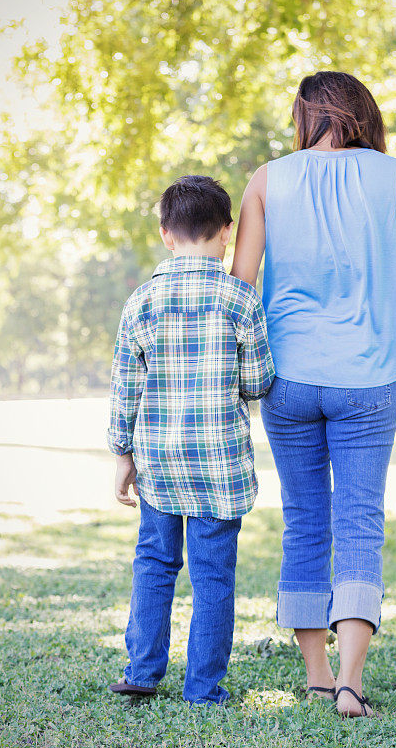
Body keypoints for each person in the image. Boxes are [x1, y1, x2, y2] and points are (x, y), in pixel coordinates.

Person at [231, 71, 396, 717]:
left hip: (286, 377)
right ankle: (350, 682)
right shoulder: (395, 175)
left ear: (304, 115)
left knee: (304, 520)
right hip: (372, 375)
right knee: (358, 521)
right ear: (362, 113)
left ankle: (317, 674)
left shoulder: (267, 179)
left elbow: (240, 285)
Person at [106, 175, 275, 706]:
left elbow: (124, 387)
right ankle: (203, 687)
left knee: (154, 564)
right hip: (219, 468)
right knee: (213, 579)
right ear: (227, 232)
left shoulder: (142, 302)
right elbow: (258, 382)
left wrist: (122, 454)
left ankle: (143, 671)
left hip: (159, 463)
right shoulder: (241, 299)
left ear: (164, 234)